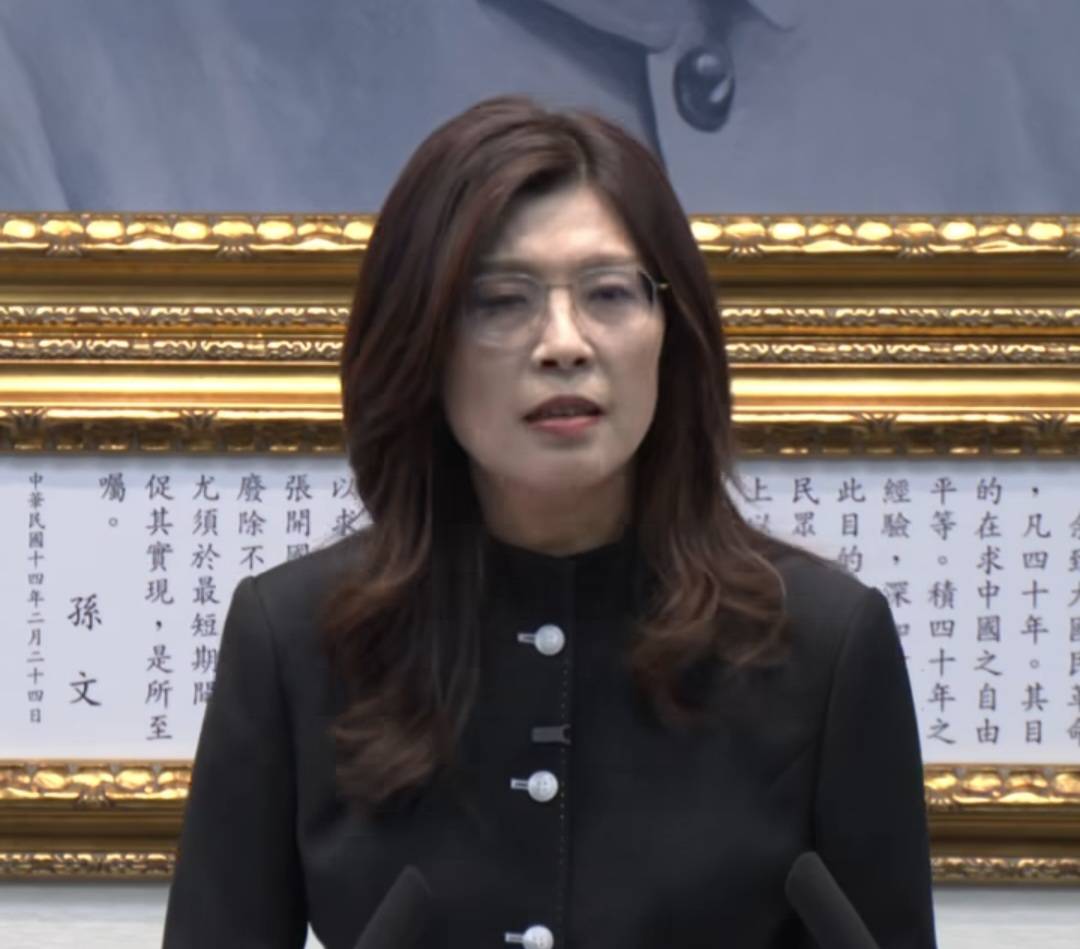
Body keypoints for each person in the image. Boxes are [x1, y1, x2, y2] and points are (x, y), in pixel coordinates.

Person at [162, 96, 937, 948]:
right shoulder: (295, 639)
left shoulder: (825, 644)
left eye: (609, 293)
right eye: (502, 300)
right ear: (422, 342)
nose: (563, 343)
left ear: (671, 333)